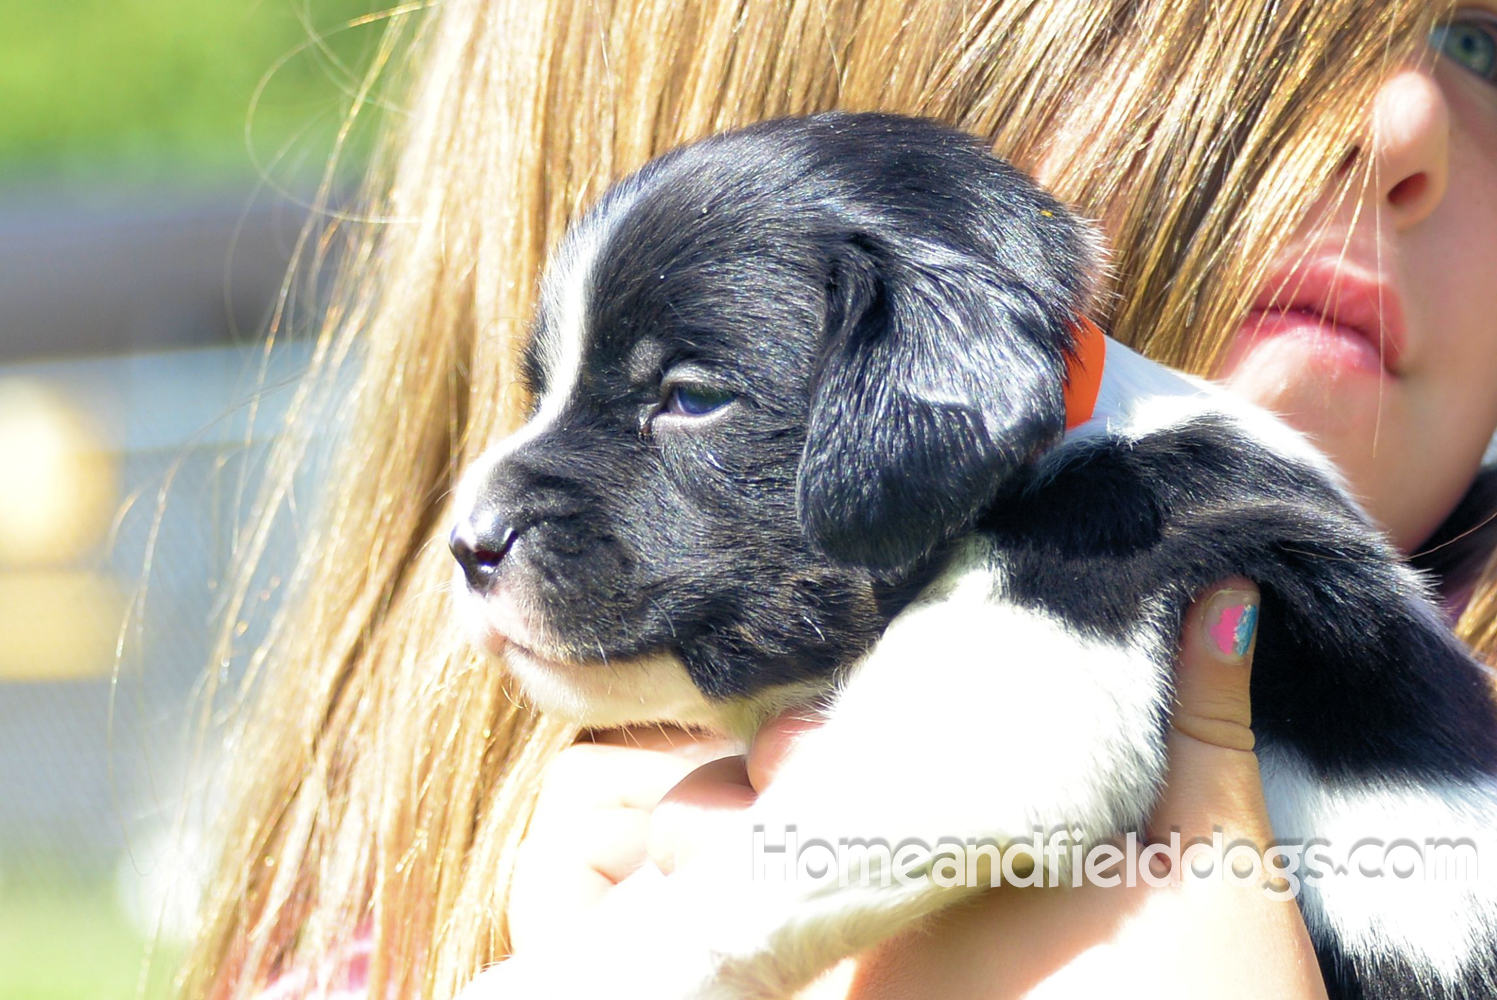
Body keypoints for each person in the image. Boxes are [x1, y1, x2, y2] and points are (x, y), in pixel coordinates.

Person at [180, 0, 1497, 997]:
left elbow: (1002, 766)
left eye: (1477, 42)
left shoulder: (1140, 530)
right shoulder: (368, 938)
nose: (1401, 120)